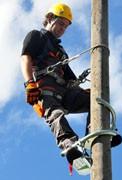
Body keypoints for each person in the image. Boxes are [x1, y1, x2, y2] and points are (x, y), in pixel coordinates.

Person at [21, 3, 90, 161]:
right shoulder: (37, 36)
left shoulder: (61, 52)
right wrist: (29, 84)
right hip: (45, 89)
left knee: (95, 100)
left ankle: (93, 137)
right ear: (50, 18)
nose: (62, 29)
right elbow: (25, 57)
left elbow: (70, 78)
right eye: (61, 23)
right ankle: (70, 145)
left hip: (65, 91)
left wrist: (83, 91)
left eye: (65, 26)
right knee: (55, 114)